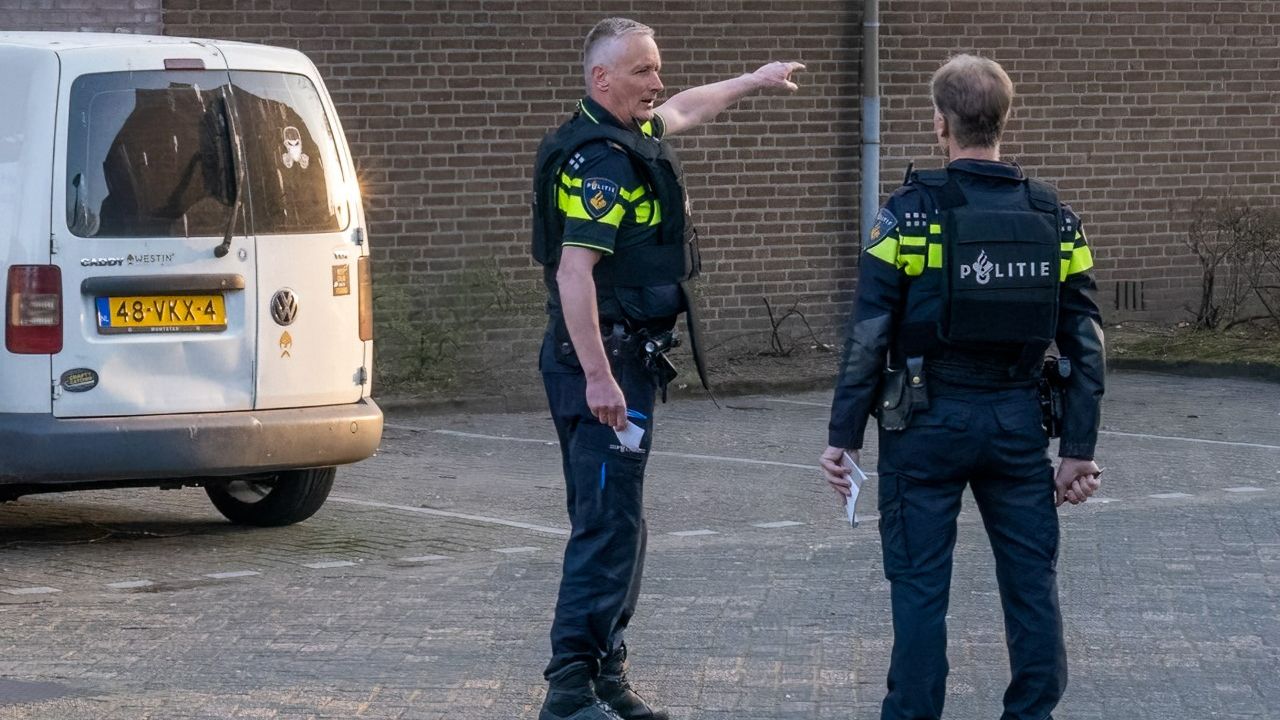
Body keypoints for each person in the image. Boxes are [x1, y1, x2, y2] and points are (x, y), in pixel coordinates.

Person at [530, 17, 803, 720]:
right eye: (644, 71)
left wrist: (753, 80)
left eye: (657, 68)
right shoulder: (600, 163)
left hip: (629, 362)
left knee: (623, 522)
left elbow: (689, 106)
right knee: (605, 524)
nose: (659, 83)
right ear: (602, 80)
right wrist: (598, 377)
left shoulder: (634, 133)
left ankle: (606, 676)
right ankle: (568, 692)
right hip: (606, 365)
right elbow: (573, 274)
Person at [818, 53, 1105, 720]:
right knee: (1032, 586)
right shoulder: (1055, 219)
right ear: (1003, 120)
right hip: (1017, 424)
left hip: (926, 424)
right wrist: (1078, 450)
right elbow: (1086, 341)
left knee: (919, 591)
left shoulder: (909, 216)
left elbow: (868, 332)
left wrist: (843, 437)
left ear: (940, 124)